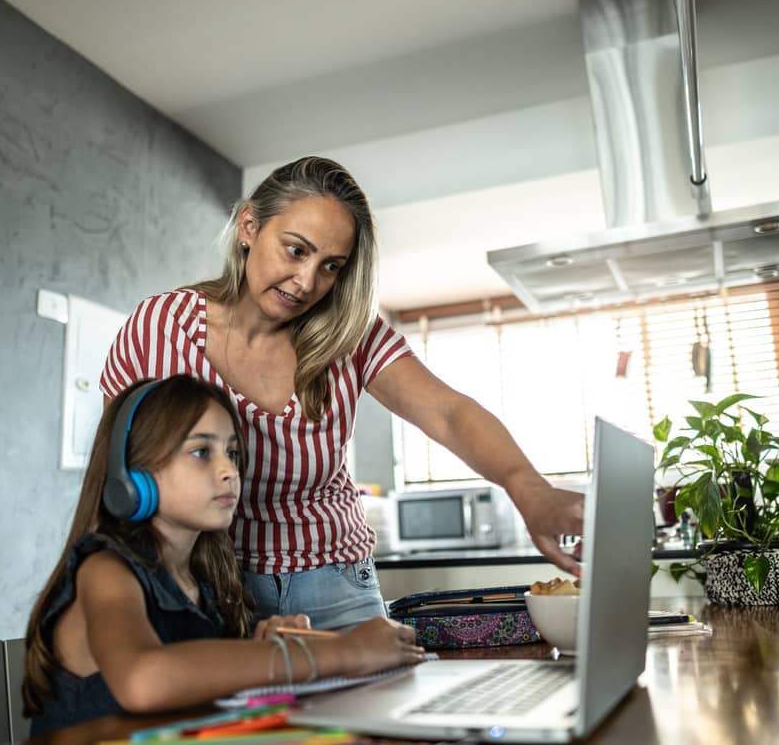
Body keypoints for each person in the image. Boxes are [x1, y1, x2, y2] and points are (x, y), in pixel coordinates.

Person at [100, 156, 585, 630]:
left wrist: (529, 488)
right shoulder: (163, 327)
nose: (308, 282)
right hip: (203, 583)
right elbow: (119, 465)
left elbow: (448, 413)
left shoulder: (349, 331)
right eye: (296, 250)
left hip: (334, 583)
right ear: (249, 226)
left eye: (331, 266)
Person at [22, 374, 424, 736]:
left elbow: (195, 693)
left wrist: (260, 645)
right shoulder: (106, 570)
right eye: (201, 452)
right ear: (133, 475)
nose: (229, 470)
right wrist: (341, 651)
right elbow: (144, 681)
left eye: (232, 453)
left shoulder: (205, 581)